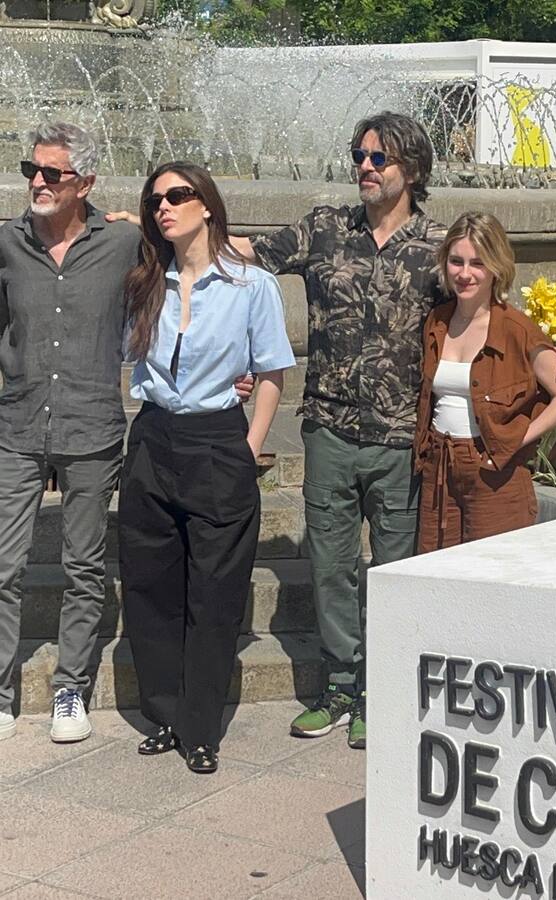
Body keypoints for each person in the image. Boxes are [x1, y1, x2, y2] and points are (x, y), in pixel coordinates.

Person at [216, 111, 556, 749]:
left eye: (377, 158)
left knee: (392, 568)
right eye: (358, 155)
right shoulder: (324, 230)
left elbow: (484, 303)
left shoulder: (437, 248)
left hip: (400, 441)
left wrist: (544, 354)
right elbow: (244, 255)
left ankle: (379, 688)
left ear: (410, 169)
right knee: (330, 567)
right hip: (328, 428)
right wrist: (177, 231)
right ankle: (338, 683)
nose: (364, 167)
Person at [119, 162, 294, 773]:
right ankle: (164, 714)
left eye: (178, 195)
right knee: (149, 585)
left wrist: (248, 446)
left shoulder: (251, 285)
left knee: (215, 592)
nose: (164, 206)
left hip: (218, 442)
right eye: (155, 199)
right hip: (153, 437)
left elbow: (271, 373)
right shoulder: (145, 282)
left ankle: (201, 728)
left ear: (208, 206)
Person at [0, 124, 138, 743]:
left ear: (84, 182)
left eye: (52, 173)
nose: (37, 181)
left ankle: (69, 690)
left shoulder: (126, 241)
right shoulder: (7, 243)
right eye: (32, 169)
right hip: (18, 423)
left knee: (83, 566)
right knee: (2, 565)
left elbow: (198, 273)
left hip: (92, 426)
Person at [414, 214, 556, 553]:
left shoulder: (515, 329)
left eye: (477, 263)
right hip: (439, 466)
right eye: (456, 261)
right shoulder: (437, 321)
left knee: (492, 575)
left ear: (496, 267)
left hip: (494, 470)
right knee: (437, 574)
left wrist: (517, 439)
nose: (464, 274)